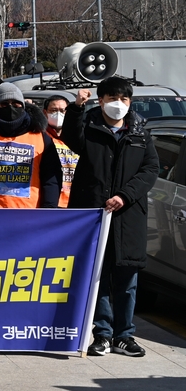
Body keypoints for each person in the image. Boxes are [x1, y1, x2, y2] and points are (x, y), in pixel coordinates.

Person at [64, 79, 158, 358]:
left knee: (127, 279)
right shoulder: (90, 127)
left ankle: (125, 335)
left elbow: (151, 168)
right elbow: (71, 138)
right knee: (99, 277)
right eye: (113, 97)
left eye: (125, 99)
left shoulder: (140, 132)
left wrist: (125, 195)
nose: (119, 104)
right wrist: (77, 108)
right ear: (101, 100)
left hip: (128, 216)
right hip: (94, 213)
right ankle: (102, 334)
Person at [43, 95, 78, 208]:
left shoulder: (76, 139)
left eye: (63, 110)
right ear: (45, 112)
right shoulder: (41, 137)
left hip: (74, 201)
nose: (59, 114)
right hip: (51, 201)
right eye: (53, 110)